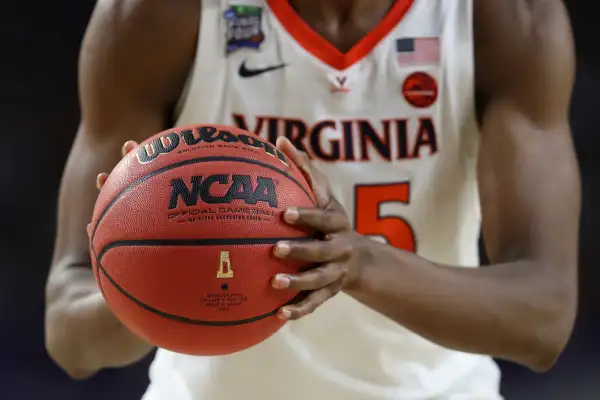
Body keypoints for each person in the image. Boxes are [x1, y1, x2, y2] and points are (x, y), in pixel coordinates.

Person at [45, 0, 579, 398]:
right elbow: (69, 335)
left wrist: (357, 261)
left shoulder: (507, 16)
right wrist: (148, 278)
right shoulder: (157, 14)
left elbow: (542, 319)